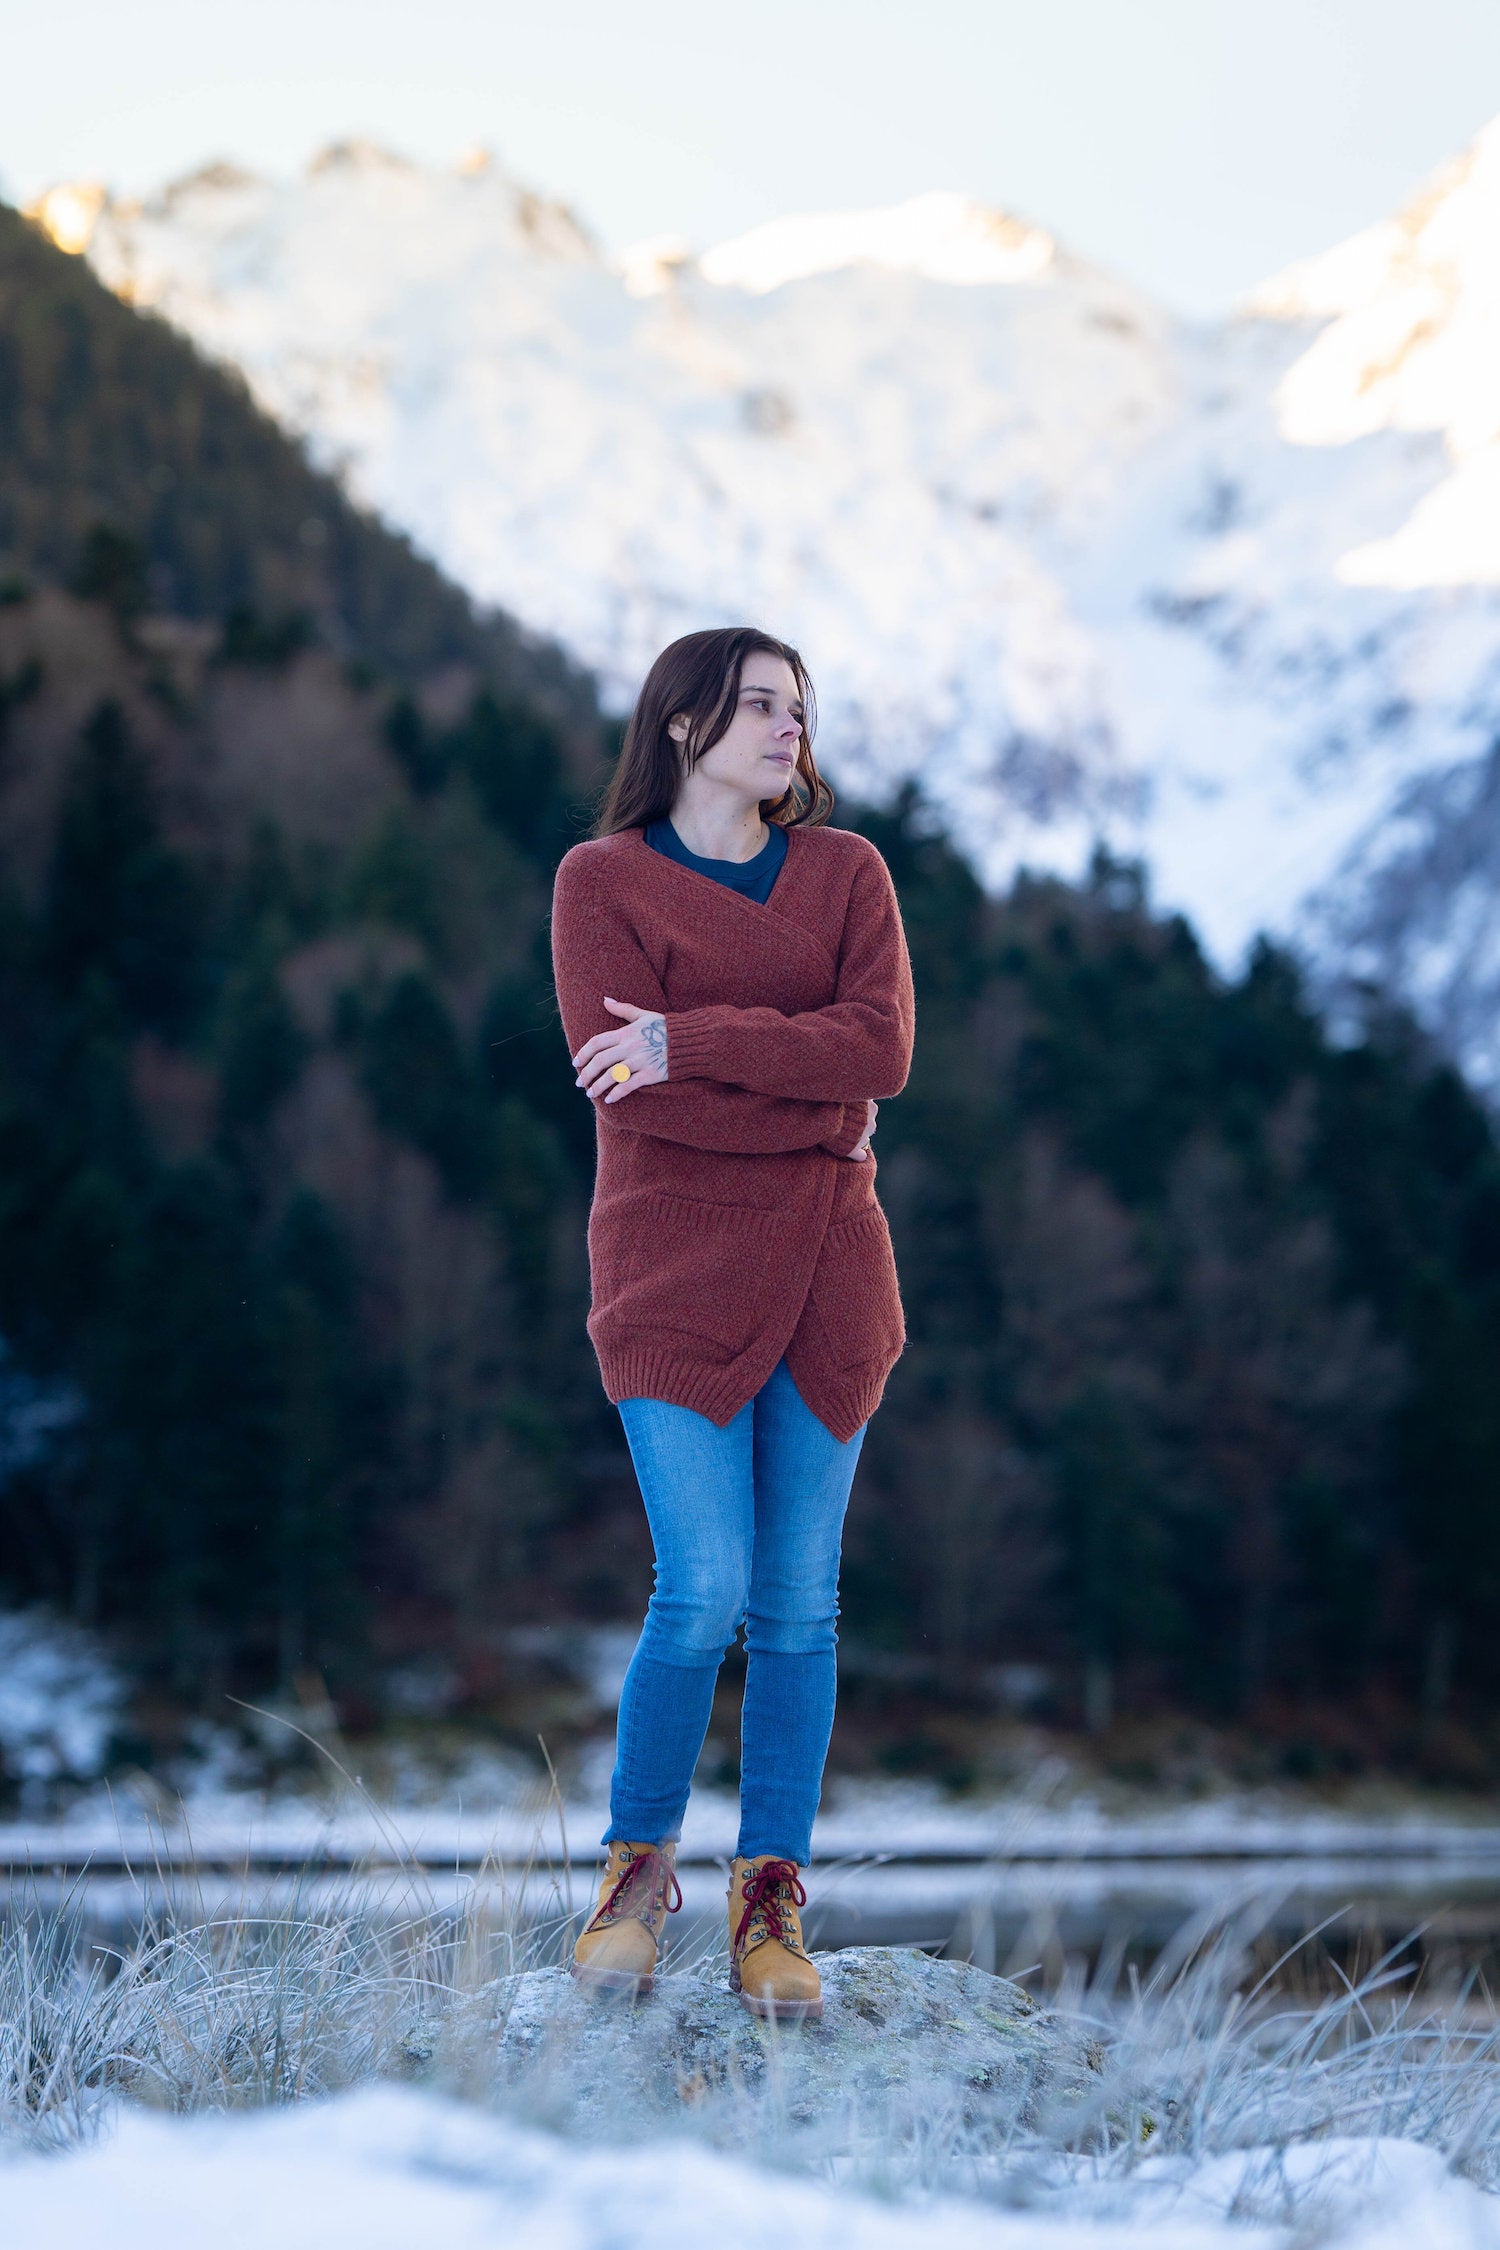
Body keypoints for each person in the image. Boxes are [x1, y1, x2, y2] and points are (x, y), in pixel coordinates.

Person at [550, 626, 914, 2020]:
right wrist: (803, 1093)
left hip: (831, 1277)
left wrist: (692, 1037)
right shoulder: (604, 881)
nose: (789, 728)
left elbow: (879, 1051)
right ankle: (636, 1876)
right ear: (684, 724)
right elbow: (618, 1082)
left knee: (800, 1605)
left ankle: (771, 1906)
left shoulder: (846, 873)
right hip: (670, 1276)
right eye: (760, 704)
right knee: (700, 1585)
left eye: (800, 707)